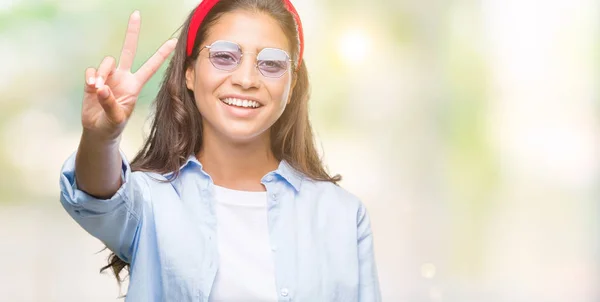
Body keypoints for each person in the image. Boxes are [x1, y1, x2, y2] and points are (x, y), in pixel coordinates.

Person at [59, 0, 381, 301]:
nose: (245, 79)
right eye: (225, 56)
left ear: (292, 84)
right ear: (189, 71)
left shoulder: (342, 216)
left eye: (271, 63)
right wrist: (102, 137)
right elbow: (96, 196)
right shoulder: (151, 203)